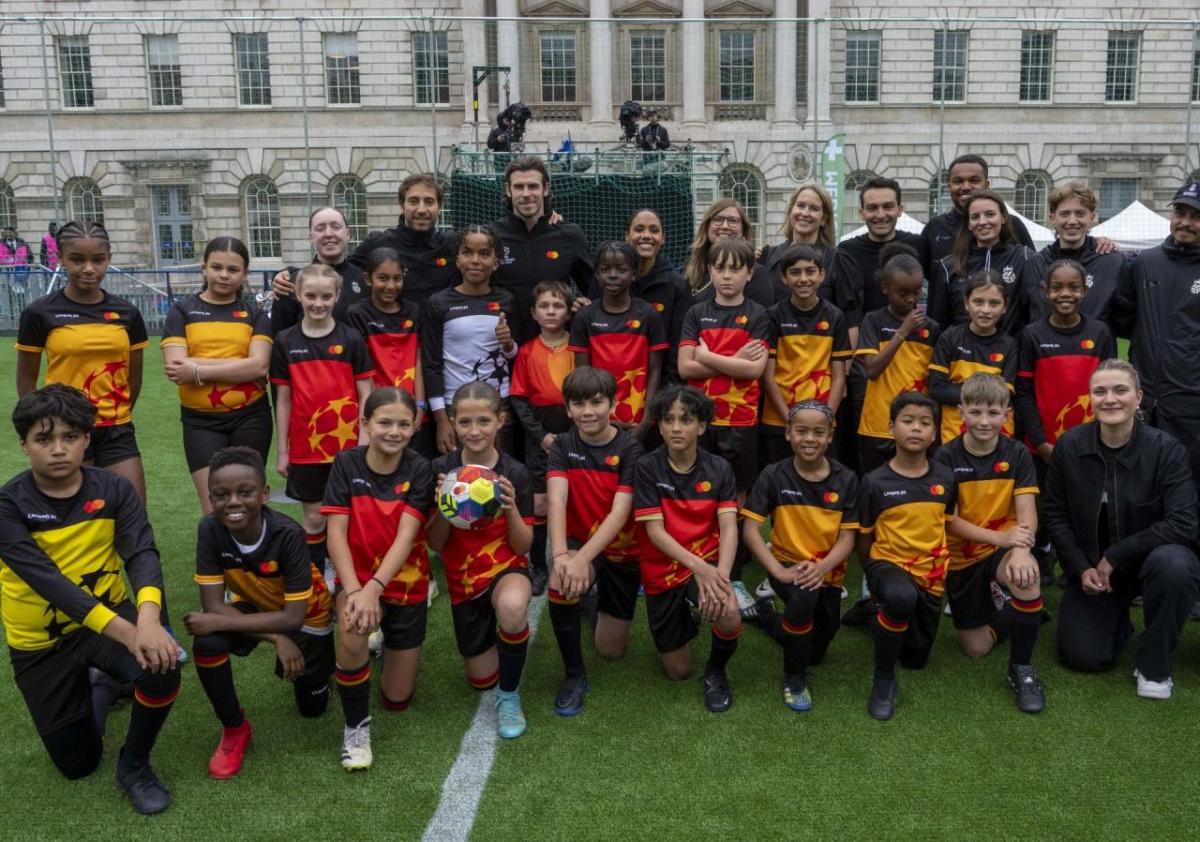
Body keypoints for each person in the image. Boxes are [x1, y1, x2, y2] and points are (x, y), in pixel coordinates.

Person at [0, 384, 179, 814]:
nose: (58, 449)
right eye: (44, 439)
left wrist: (150, 620)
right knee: (78, 764)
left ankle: (134, 765)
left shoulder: (114, 489)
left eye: (69, 437)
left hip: (108, 618)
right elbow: (52, 585)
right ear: (24, 445)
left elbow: (141, 552)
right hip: (41, 643)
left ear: (86, 439)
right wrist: (131, 632)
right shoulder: (8, 505)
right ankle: (103, 687)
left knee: (161, 665)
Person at [1043, 360, 1199, 699]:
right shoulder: (1069, 446)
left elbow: (1184, 522)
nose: (1110, 399)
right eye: (1100, 391)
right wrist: (1080, 566)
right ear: (1090, 398)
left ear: (1138, 397)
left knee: (1176, 564)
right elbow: (1054, 514)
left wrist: (1116, 554)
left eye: (1120, 390)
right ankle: (1117, 621)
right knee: (1083, 657)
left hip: (1150, 565)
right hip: (1094, 573)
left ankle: (1154, 662)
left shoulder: (1165, 449)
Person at [184, 446, 334, 779]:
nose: (233, 502)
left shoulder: (288, 534)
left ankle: (328, 666)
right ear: (210, 497)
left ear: (264, 494)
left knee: (313, 708)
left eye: (245, 492)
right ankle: (234, 728)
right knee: (208, 643)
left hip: (307, 612)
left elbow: (293, 618)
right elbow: (213, 606)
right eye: (221, 494)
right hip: (254, 607)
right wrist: (276, 637)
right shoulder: (210, 529)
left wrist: (283, 632)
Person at [322, 388, 435, 769]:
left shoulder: (421, 469)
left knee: (396, 699)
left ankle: (384, 638)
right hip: (357, 579)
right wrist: (356, 590)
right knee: (353, 627)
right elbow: (335, 531)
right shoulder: (346, 463)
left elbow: (407, 536)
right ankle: (355, 730)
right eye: (384, 422)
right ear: (365, 424)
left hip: (404, 584)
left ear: (416, 427)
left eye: (404, 424)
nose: (394, 431)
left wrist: (375, 589)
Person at [932, 374, 1045, 713]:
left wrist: (1021, 549)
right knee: (976, 648)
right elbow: (948, 519)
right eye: (976, 412)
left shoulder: (1018, 454)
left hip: (1003, 550)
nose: (984, 421)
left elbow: (1027, 513)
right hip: (962, 558)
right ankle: (1021, 610)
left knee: (1027, 575)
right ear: (961, 412)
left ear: (1007, 414)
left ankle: (1022, 670)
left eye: (993, 413)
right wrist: (999, 536)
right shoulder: (944, 457)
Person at [428, 382, 535, 739]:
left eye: (484, 421)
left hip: (507, 568)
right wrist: (445, 505)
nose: (474, 431)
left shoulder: (515, 472)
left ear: (500, 421)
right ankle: (495, 646)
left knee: (513, 606)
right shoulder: (440, 470)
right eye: (465, 422)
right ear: (453, 423)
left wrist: (512, 507)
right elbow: (435, 543)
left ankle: (510, 696)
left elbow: (523, 546)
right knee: (481, 679)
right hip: (463, 580)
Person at [16, 221, 149, 502]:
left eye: (97, 260)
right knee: (77, 513)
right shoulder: (39, 313)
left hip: (117, 429)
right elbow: (26, 382)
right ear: (61, 258)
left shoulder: (127, 313)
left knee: (132, 510)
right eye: (77, 260)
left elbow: (133, 380)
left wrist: (115, 412)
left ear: (108, 260)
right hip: (64, 430)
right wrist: (45, 428)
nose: (89, 269)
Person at [742, 400, 859, 711]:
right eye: (802, 431)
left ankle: (764, 615)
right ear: (788, 434)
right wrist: (778, 573)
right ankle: (794, 678)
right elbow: (751, 532)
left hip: (828, 570)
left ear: (830, 435)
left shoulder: (846, 479)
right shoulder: (773, 475)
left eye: (819, 432)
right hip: (786, 566)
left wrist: (822, 568)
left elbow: (848, 537)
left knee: (816, 647)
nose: (810, 438)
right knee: (803, 600)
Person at [633, 386, 742, 712]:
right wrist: (703, 569)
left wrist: (720, 576)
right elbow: (656, 533)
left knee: (729, 610)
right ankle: (689, 614)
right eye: (669, 420)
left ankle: (716, 672)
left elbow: (728, 527)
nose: (676, 427)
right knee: (678, 672)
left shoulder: (720, 468)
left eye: (686, 419)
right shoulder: (647, 467)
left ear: (702, 426)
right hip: (663, 569)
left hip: (706, 563)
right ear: (660, 425)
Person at [677, 236, 770, 615]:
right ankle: (699, 563)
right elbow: (685, 368)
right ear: (710, 270)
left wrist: (709, 355)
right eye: (720, 267)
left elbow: (755, 370)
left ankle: (729, 571)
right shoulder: (696, 312)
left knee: (737, 494)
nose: (727, 275)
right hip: (702, 422)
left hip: (742, 421)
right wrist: (733, 360)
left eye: (736, 268)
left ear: (749, 273)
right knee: (700, 489)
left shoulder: (759, 314)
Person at [545, 367, 645, 715]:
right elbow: (556, 500)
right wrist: (561, 555)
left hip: (621, 548)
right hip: (577, 540)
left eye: (596, 402)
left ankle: (591, 595)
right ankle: (574, 675)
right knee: (561, 581)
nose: (588, 411)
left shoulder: (631, 448)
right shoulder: (562, 445)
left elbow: (620, 514)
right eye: (578, 403)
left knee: (610, 650)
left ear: (613, 403)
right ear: (567, 409)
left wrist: (580, 559)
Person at [269, 263, 374, 589]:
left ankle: (347, 586)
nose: (318, 303)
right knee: (314, 519)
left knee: (348, 520)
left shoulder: (352, 339)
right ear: (298, 296)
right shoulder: (285, 341)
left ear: (337, 296)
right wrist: (283, 451)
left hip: (347, 450)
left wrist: (364, 441)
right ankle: (316, 589)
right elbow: (283, 399)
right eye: (310, 295)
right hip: (305, 450)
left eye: (326, 296)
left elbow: (365, 393)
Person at [857, 392, 956, 720]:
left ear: (935, 432)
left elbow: (949, 524)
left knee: (915, 659)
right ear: (890, 427)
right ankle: (883, 678)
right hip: (888, 565)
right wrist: (872, 571)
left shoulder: (945, 478)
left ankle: (873, 614)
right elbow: (864, 535)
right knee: (899, 596)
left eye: (925, 423)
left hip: (930, 573)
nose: (916, 429)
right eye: (908, 421)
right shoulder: (874, 481)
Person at [161, 236, 273, 513]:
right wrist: (238, 366)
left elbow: (259, 367)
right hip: (200, 422)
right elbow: (177, 368)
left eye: (233, 270)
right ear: (204, 269)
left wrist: (197, 368)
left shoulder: (254, 313)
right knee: (214, 506)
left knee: (249, 504)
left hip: (251, 417)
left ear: (245, 274)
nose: (224, 275)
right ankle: (219, 557)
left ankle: (254, 557)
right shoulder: (182, 311)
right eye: (217, 267)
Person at [1112, 181, 1200, 461]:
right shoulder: (1145, 262)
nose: (1185, 223)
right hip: (1144, 399)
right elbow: (1123, 318)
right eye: (1179, 213)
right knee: (1140, 482)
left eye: (1195, 216)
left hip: (1190, 402)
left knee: (1187, 484)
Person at [422, 225, 520, 455]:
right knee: (456, 481)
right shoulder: (439, 303)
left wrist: (508, 345)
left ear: (496, 263)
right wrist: (441, 420)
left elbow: (517, 357)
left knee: (498, 476)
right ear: (457, 259)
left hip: (498, 404)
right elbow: (431, 363)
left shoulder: (507, 301)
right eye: (467, 252)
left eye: (484, 254)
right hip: (454, 405)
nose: (475, 260)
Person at [1015, 259, 1115, 467]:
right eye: (1057, 288)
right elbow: (1024, 394)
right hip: (1043, 448)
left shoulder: (1100, 333)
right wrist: (1041, 443)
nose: (1066, 294)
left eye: (1074, 287)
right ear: (1045, 290)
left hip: (1092, 445)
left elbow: (1109, 390)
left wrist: (1101, 439)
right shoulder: (1031, 335)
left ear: (1085, 290)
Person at [510, 280, 576, 596]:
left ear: (568, 311)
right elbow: (519, 401)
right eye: (544, 306)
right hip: (540, 437)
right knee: (538, 504)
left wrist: (575, 435)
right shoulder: (525, 351)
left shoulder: (578, 346)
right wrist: (541, 436)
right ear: (534, 313)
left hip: (575, 434)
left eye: (558, 305)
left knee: (577, 500)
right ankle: (537, 565)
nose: (551, 311)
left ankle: (579, 561)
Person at [761, 243, 851, 465]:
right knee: (780, 480)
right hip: (779, 419)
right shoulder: (773, 316)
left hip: (821, 421)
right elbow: (768, 376)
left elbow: (839, 375)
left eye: (810, 271)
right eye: (795, 272)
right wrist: (790, 421)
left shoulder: (835, 316)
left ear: (822, 275)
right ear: (784, 278)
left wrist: (826, 418)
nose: (803, 279)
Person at [854, 244, 939, 474]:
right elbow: (871, 370)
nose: (911, 300)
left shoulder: (931, 329)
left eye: (917, 292)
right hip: (877, 425)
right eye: (903, 294)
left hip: (916, 426)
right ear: (885, 288)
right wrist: (903, 331)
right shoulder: (873, 321)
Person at [570, 241, 667, 442]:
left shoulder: (649, 315)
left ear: (633, 274)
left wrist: (647, 421)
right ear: (597, 274)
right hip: (598, 422)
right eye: (605, 269)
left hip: (639, 422)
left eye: (621, 269)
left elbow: (656, 370)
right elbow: (582, 376)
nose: (612, 275)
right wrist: (596, 419)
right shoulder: (584, 317)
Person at [492, 157, 592, 343]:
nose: (526, 193)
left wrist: (583, 304)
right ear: (508, 190)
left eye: (533, 186)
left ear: (545, 189)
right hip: (503, 349)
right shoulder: (492, 236)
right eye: (519, 187)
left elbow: (593, 290)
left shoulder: (570, 236)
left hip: (556, 351)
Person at [345, 247, 429, 457]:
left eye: (397, 278)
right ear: (368, 278)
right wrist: (374, 410)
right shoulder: (358, 313)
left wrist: (420, 405)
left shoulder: (414, 311)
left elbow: (419, 361)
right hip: (379, 410)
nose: (391, 286)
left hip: (412, 410)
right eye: (383, 278)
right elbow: (363, 369)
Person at [928, 270, 1018, 444]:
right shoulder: (949, 338)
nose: (985, 310)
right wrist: (988, 394)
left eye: (994, 303)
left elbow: (1005, 394)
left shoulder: (1009, 345)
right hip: (953, 433)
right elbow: (937, 388)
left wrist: (958, 389)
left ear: (1005, 306)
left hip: (996, 435)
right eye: (978, 302)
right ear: (966, 303)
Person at [837, 177, 929, 339]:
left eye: (888, 206)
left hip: (909, 342)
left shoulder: (918, 245)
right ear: (862, 213)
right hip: (864, 344)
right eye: (872, 208)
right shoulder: (846, 251)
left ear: (900, 209)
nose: (880, 214)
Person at [1022, 182, 1124, 324]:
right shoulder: (1035, 264)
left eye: (1080, 213)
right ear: (1052, 218)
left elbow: (1124, 318)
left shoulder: (1112, 262)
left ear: (1091, 218)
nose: (1072, 221)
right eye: (1064, 214)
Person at [348, 173, 460, 300]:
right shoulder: (378, 243)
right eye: (414, 201)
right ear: (402, 206)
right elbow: (345, 271)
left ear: (439, 207)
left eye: (429, 202)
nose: (421, 209)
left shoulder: (451, 244)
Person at [936, 189, 1033, 333]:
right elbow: (939, 322)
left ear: (1004, 218)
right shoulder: (948, 266)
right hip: (961, 353)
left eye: (990, 214)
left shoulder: (1024, 258)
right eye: (975, 217)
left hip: (1011, 352)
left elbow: (1034, 315)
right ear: (969, 224)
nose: (982, 222)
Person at [754, 184, 857, 313]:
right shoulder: (767, 257)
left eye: (814, 208)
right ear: (791, 210)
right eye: (801, 205)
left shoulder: (837, 261)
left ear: (823, 219)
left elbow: (851, 321)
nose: (805, 213)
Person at [922, 154, 1035, 268]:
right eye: (958, 181)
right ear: (949, 187)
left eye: (974, 181)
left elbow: (1032, 269)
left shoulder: (1012, 225)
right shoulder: (934, 228)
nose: (966, 187)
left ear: (986, 185)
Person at [271, 206, 368, 333]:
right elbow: (279, 338)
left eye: (336, 227)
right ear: (311, 237)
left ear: (348, 234)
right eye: (320, 229)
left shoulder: (365, 280)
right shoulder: (289, 283)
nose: (328, 234)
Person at [621, 208, 691, 370]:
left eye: (654, 230)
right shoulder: (609, 282)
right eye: (639, 229)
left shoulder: (677, 286)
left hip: (660, 385)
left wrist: (666, 392)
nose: (646, 235)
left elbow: (677, 346)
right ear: (627, 236)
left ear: (663, 238)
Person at [683, 198, 754, 298]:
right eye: (718, 219)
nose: (725, 226)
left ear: (743, 229)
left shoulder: (754, 272)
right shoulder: (692, 266)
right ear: (707, 226)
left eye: (733, 221)